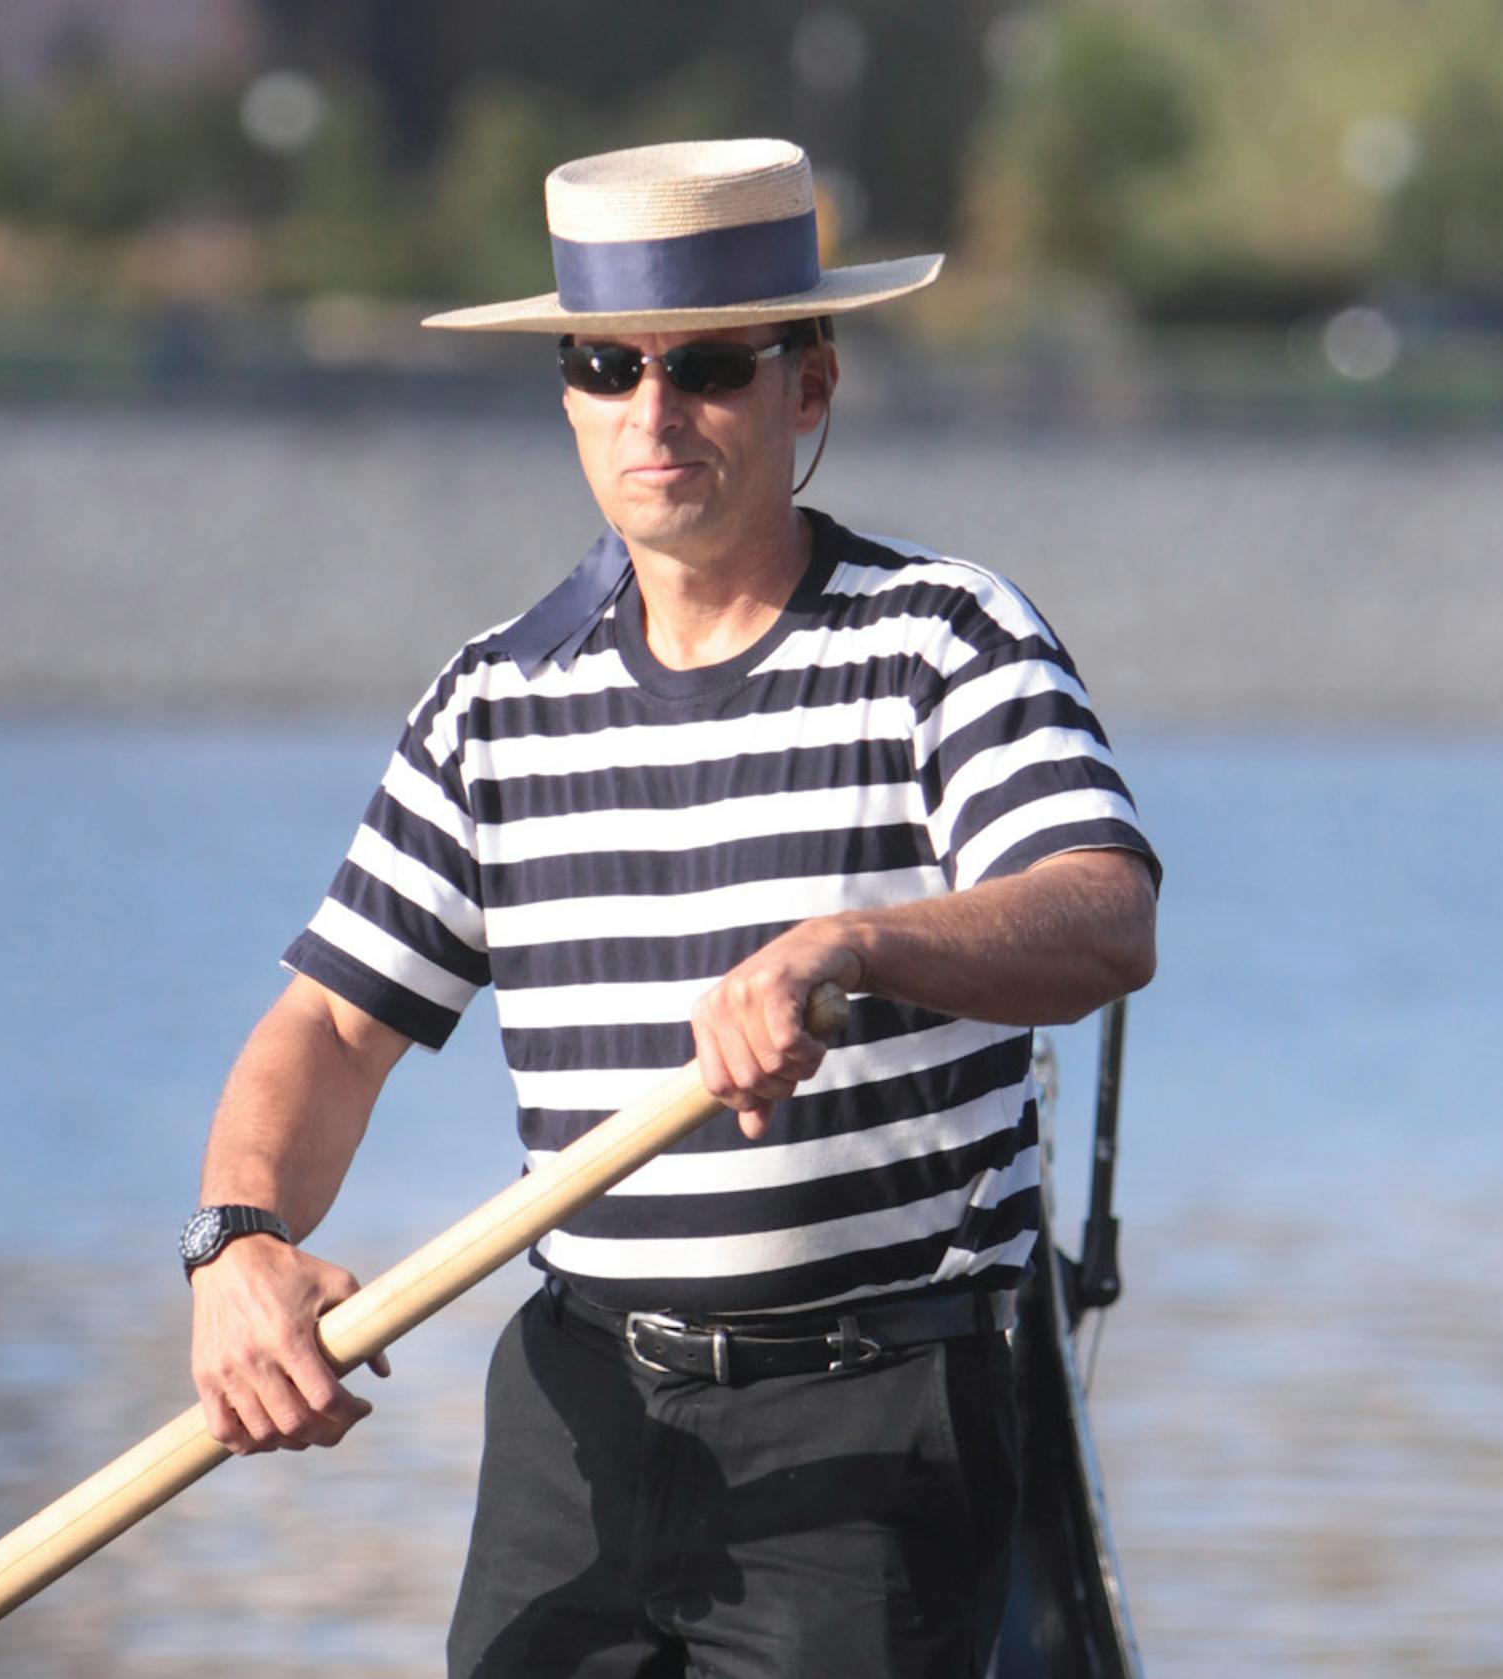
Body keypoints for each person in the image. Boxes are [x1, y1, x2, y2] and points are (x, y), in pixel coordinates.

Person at [183, 138, 1159, 1678]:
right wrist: (237, 1241)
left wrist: (854, 944)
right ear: (569, 392)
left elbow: (1103, 913)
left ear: (807, 387)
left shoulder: (946, 640)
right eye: (606, 365)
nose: (653, 413)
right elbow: (330, 1025)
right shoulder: (493, 701)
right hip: (580, 1416)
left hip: (871, 1423)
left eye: (705, 366)